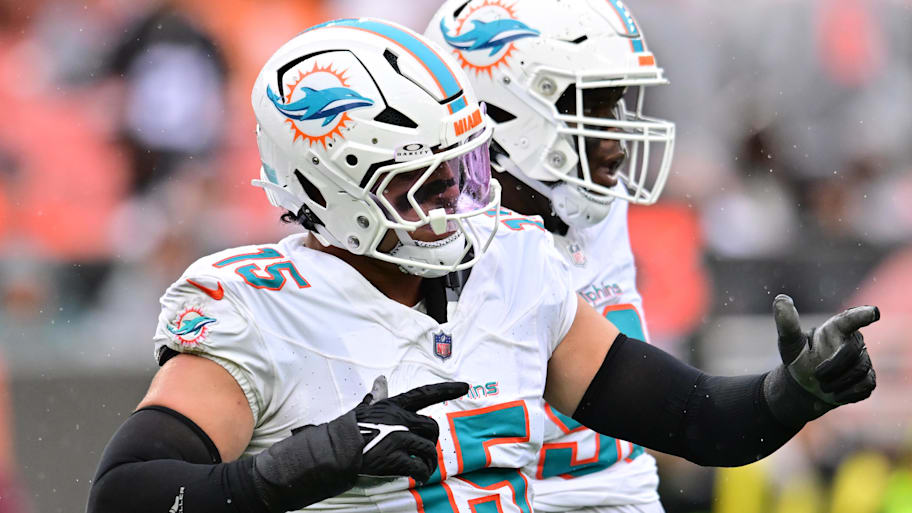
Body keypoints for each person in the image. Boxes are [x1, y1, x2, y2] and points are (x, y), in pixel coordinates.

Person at [87, 18, 878, 513]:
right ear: (331, 186)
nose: (461, 200)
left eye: (464, 169)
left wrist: (790, 394)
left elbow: (698, 419)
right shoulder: (259, 306)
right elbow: (126, 493)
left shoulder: (512, 269)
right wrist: (299, 467)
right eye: (423, 180)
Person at [423, 1, 673, 511]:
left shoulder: (598, 207)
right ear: (502, 112)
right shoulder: (432, 242)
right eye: (588, 109)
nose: (616, 146)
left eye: (614, 105)